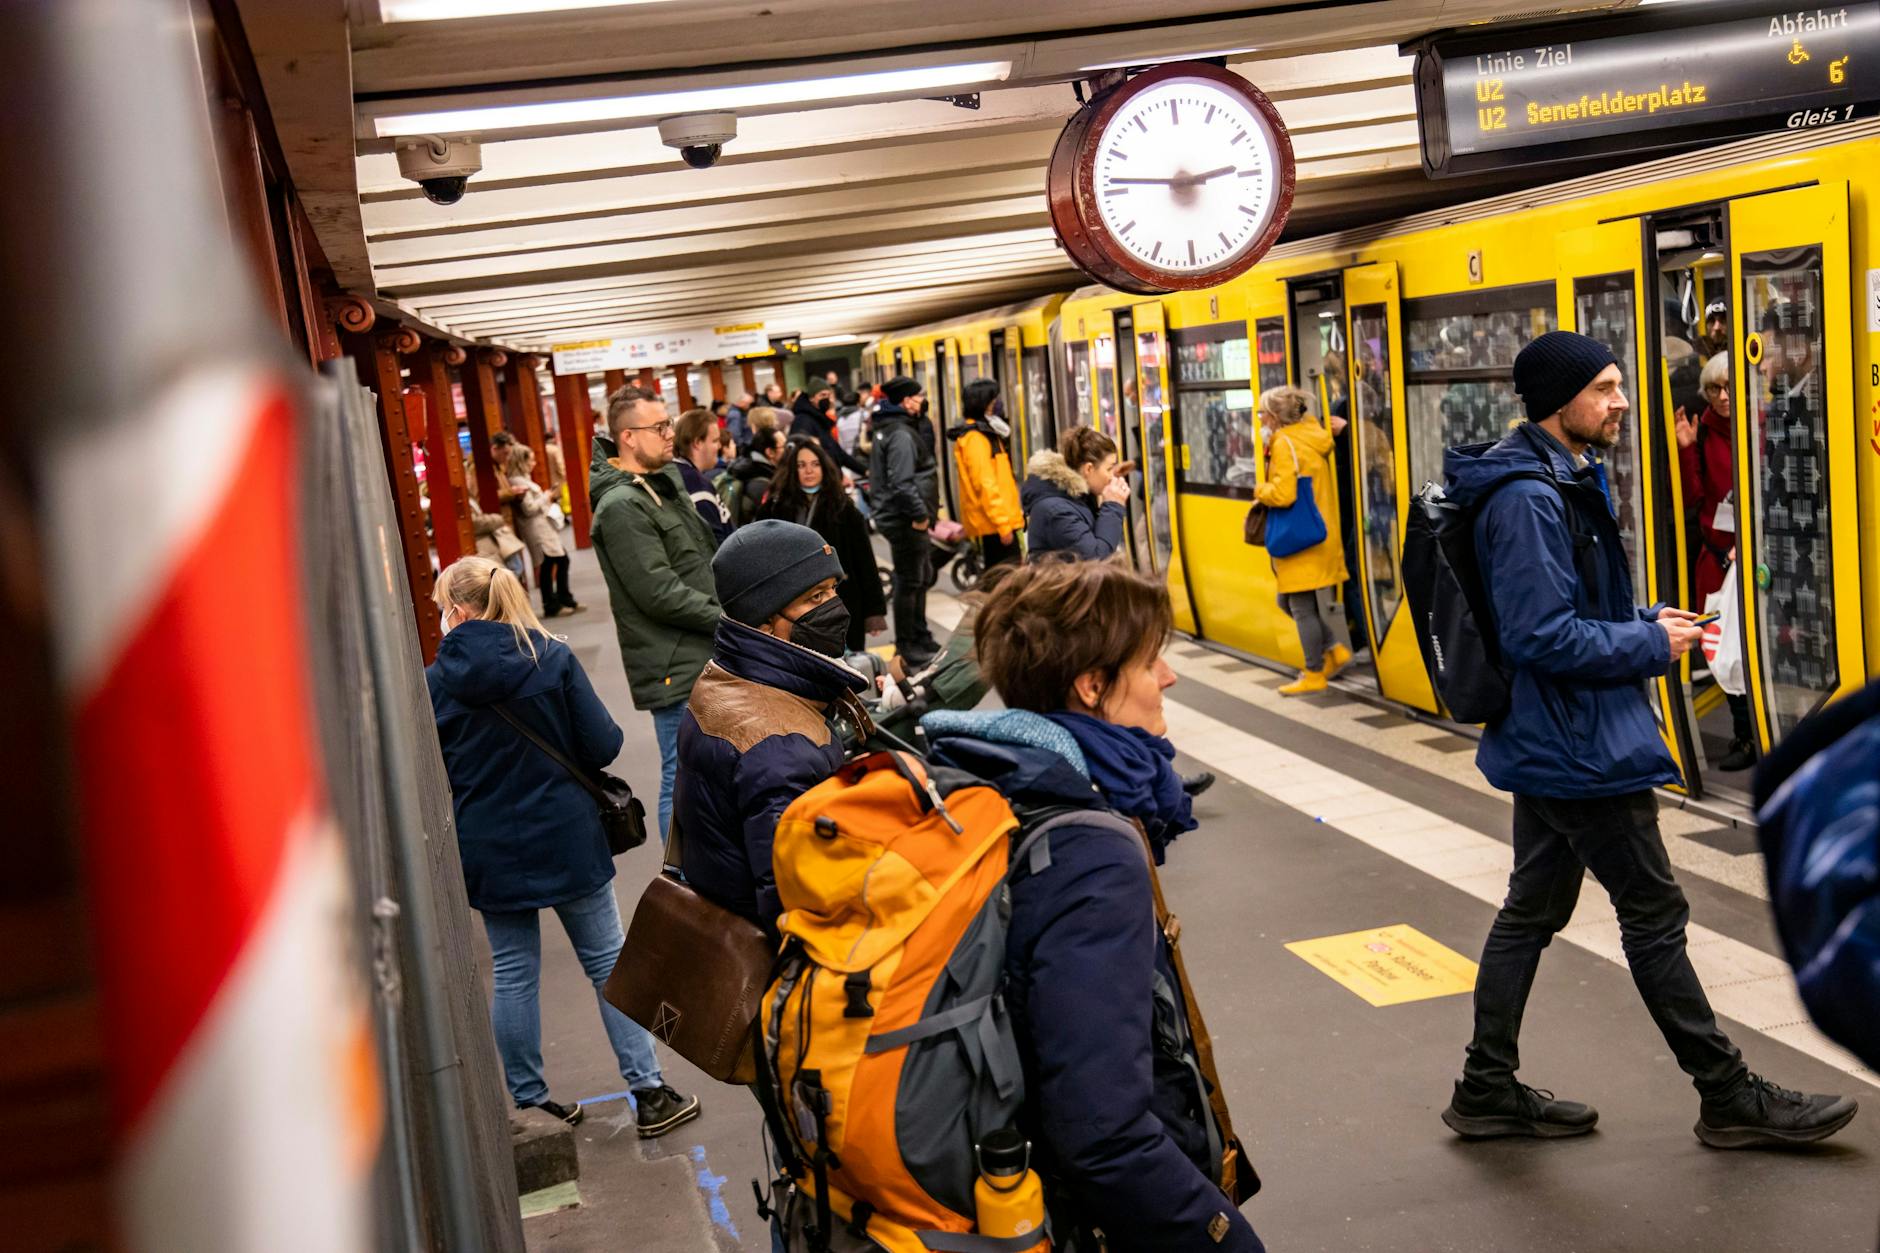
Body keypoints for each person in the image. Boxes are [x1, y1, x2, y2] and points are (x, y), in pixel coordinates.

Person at [1439, 330, 1853, 1148]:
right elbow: (1540, 635)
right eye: (1604, 389)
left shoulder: (1554, 476)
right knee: (1654, 914)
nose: (1622, 402)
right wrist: (1646, 646)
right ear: (1560, 404)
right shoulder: (1530, 498)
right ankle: (1728, 1093)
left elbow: (1566, 612)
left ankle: (1486, 1084)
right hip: (1579, 747)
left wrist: (1642, 620)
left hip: (1555, 736)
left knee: (1532, 907)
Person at [919, 559, 1262, 1252]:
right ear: (1092, 685)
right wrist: (1224, 1237)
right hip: (1091, 1221)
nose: (1169, 675)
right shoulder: (1088, 850)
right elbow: (1103, 1131)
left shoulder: (986, 782)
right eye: (1150, 660)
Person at [426, 556, 700, 1138]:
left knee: (513, 970)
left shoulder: (433, 681)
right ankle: (650, 1093)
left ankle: (531, 1103)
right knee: (607, 961)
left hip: (490, 842)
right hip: (569, 835)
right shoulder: (550, 658)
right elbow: (603, 743)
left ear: (458, 610)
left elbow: (433, 771)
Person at [672, 520, 869, 933]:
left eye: (833, 588)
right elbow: (799, 903)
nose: (835, 606)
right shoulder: (778, 746)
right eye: (814, 596)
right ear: (764, 620)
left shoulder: (726, 677)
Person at [589, 385, 722, 842]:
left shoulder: (660, 485)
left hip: (696, 652)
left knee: (699, 770)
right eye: (659, 426)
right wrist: (725, 617)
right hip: (674, 662)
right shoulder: (622, 506)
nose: (670, 434)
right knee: (681, 774)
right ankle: (680, 882)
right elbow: (658, 592)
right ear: (628, 437)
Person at [1674, 353, 1753, 770]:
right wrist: (1686, 449)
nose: (1723, 397)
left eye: (1730, 387)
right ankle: (1744, 736)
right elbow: (1692, 499)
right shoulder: (1701, 432)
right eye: (1714, 390)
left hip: (1758, 559)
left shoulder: (1762, 421)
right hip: (1718, 558)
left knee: (1756, 648)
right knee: (1720, 647)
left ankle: (1760, 732)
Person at [1254, 385, 1350, 696]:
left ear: (1273, 417)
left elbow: (1283, 494)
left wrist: (1259, 491)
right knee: (1290, 602)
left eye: (1261, 414)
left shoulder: (1284, 444)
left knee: (1300, 607)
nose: (1259, 420)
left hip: (1300, 538)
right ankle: (1333, 650)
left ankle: (1313, 672)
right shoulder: (1313, 434)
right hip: (1318, 529)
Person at [757, 438, 888, 650]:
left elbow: (864, 560)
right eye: (801, 465)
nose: (809, 470)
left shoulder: (843, 508)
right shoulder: (776, 508)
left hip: (840, 602)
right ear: (792, 470)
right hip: (791, 605)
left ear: (824, 468)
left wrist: (874, 611)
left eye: (815, 464)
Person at [867, 375, 941, 669]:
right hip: (905, 519)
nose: (923, 400)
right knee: (910, 580)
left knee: (918, 576)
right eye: (918, 395)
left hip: (899, 516)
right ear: (906, 400)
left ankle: (919, 635)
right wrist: (920, 515)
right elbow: (902, 482)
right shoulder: (900, 434)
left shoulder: (892, 429)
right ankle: (908, 644)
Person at [1020, 425, 1129, 561]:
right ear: (1088, 469)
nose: (1112, 477)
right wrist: (1113, 506)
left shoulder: (1077, 496)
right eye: (1109, 469)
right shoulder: (1056, 511)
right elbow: (1097, 561)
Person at [949, 378, 1025, 569]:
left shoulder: (984, 433)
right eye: (993, 400)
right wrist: (1002, 524)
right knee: (1005, 584)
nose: (996, 404)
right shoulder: (975, 438)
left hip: (999, 523)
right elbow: (985, 484)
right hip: (995, 526)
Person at [505, 444, 577, 619]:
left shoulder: (522, 479)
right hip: (536, 528)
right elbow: (529, 508)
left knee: (556, 561)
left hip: (542, 527)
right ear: (521, 461)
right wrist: (547, 497)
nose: (534, 463)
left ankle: (561, 599)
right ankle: (553, 603)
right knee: (551, 562)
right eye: (530, 459)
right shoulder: (518, 481)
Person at [674, 406, 733, 543]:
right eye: (714, 441)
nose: (719, 446)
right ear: (697, 443)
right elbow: (717, 547)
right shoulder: (695, 485)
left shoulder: (681, 473)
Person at [790, 381, 867, 477]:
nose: (826, 399)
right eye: (822, 395)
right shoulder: (803, 421)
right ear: (811, 398)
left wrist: (865, 471)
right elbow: (806, 458)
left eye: (828, 395)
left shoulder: (819, 419)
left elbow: (838, 453)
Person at [723, 424, 786, 529]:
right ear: (770, 452)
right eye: (783, 447)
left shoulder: (747, 465)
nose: (787, 451)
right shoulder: (761, 482)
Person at [471, 505, 528, 583]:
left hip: (497, 540)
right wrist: (498, 519)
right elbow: (475, 523)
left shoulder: (473, 501)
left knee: (516, 567)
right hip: (486, 547)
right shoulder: (468, 503)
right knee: (510, 573)